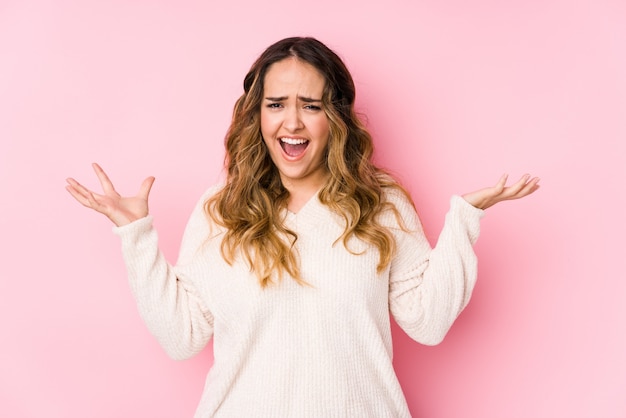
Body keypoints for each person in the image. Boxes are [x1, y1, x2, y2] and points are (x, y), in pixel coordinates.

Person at [66, 37, 539, 417]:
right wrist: (137, 236)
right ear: (257, 114)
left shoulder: (380, 203)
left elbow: (429, 322)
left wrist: (463, 222)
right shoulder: (221, 209)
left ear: (336, 118)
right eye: (276, 104)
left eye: (311, 105)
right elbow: (181, 335)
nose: (292, 121)